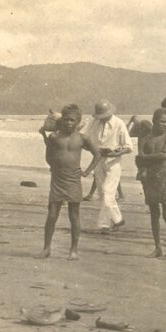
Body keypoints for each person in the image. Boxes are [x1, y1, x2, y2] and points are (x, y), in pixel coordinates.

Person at [35, 105, 102, 260]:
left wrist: (86, 171)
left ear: (78, 121)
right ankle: (46, 249)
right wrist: (53, 165)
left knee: (74, 215)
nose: (69, 123)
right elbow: (49, 156)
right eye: (66, 120)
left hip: (73, 179)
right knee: (52, 214)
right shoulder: (54, 137)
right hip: (58, 179)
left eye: (72, 120)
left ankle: (74, 250)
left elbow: (97, 155)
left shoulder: (82, 138)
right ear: (61, 120)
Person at [82, 100, 131, 233]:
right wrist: (94, 150)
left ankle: (119, 220)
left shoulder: (119, 123)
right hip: (98, 160)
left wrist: (115, 153)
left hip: (113, 162)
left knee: (107, 191)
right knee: (101, 193)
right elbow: (84, 140)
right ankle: (105, 224)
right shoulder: (93, 123)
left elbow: (128, 147)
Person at [136, 109, 166, 259]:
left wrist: (146, 157)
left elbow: (164, 156)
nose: (165, 125)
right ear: (154, 121)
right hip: (151, 178)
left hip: (165, 176)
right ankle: (158, 247)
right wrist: (147, 158)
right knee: (154, 214)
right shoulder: (146, 137)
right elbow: (139, 156)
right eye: (162, 122)